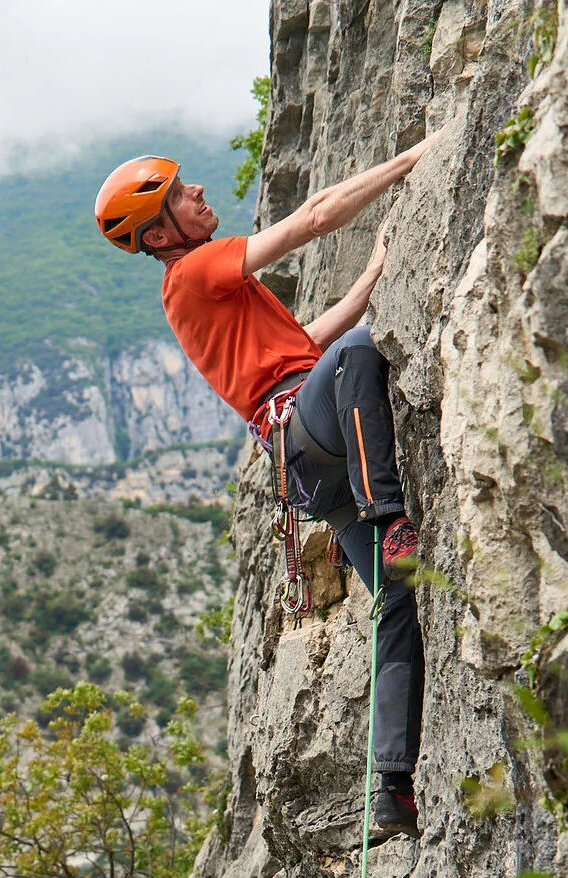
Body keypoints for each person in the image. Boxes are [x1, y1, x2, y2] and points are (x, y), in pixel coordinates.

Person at [94, 138, 445, 835]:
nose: (198, 194)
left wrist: (373, 275)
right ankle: (392, 512)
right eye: (182, 194)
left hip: (305, 457)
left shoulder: (201, 290)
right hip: (310, 430)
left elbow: (305, 341)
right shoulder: (192, 271)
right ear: (161, 234)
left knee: (399, 602)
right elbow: (311, 220)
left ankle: (392, 784)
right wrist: (415, 159)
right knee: (356, 354)